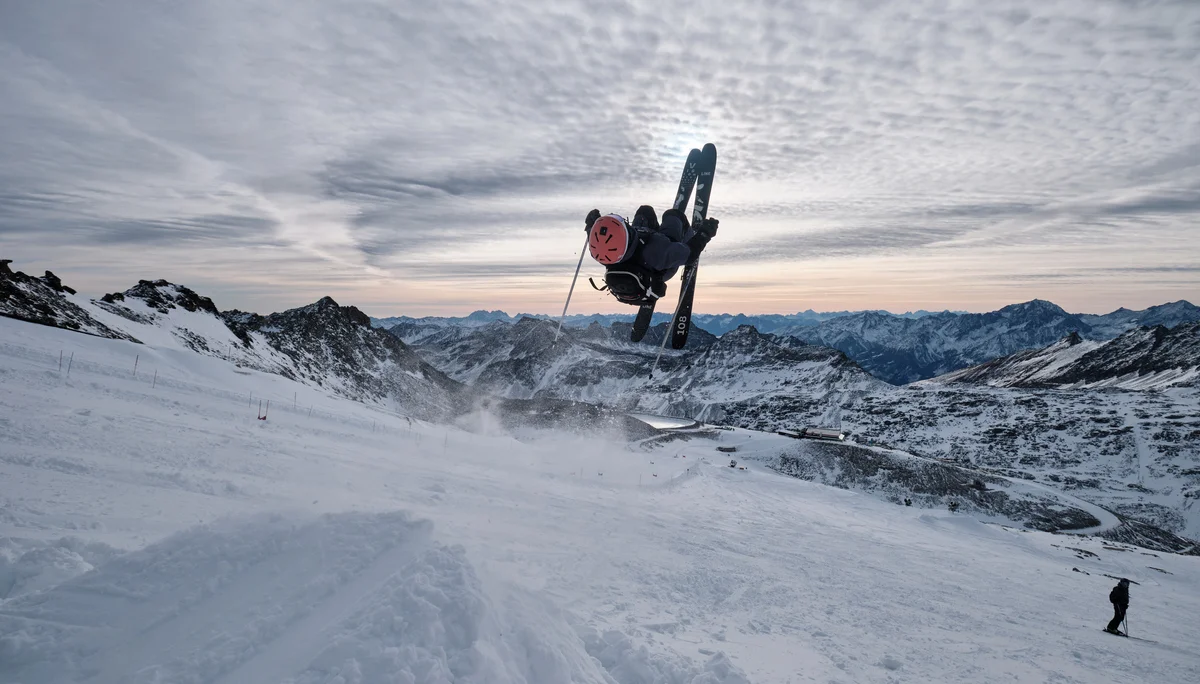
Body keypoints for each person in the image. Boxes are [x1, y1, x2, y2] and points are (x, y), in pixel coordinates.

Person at [584, 205, 718, 305]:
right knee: (673, 215)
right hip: (659, 265)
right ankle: (688, 233)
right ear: (625, 233)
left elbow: (597, 238)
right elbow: (690, 255)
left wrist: (592, 224)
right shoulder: (657, 251)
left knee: (644, 211)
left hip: (640, 255)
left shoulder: (603, 253)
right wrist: (703, 234)